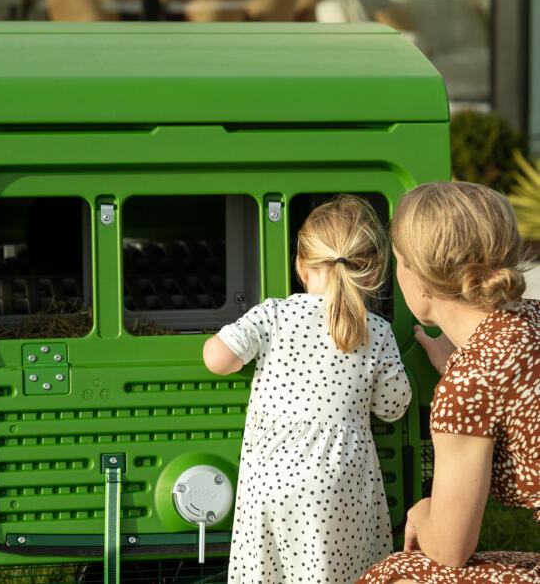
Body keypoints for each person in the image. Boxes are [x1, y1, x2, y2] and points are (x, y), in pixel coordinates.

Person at [203, 194, 412, 584]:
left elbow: (218, 359)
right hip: (341, 485)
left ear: (301, 265)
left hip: (273, 481)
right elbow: (393, 407)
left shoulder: (274, 314)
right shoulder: (377, 331)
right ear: (373, 271)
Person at [356, 181, 540, 584]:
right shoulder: (531, 318)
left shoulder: (470, 383)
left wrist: (421, 511)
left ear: (421, 282)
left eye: (399, 260)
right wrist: (457, 363)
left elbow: (452, 550)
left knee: (397, 574)